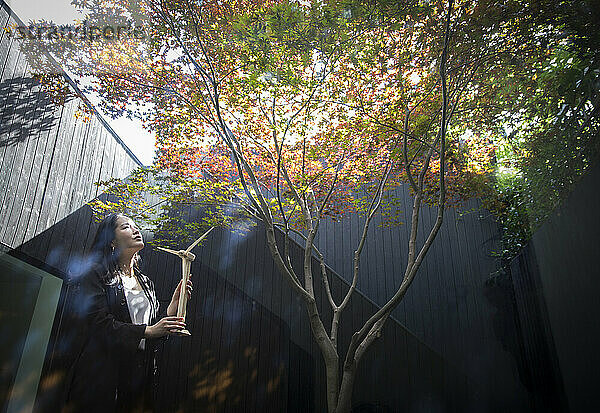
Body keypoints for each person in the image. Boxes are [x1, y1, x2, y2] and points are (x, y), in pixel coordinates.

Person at [62, 213, 193, 413]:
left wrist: (172, 308)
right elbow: (99, 324)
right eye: (126, 227)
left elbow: (148, 326)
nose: (136, 229)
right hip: (101, 378)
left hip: (139, 377)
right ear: (111, 240)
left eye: (135, 226)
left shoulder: (146, 282)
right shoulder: (95, 273)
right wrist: (147, 332)